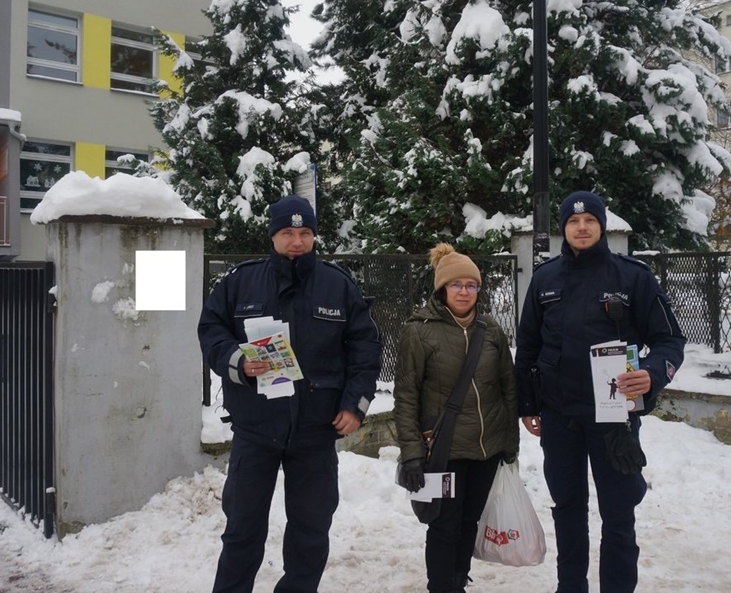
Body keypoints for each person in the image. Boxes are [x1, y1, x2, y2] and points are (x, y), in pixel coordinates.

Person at [198, 195, 382, 593]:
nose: (296, 241)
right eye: (287, 232)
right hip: (255, 428)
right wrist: (238, 362)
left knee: (310, 533)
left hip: (316, 430)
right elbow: (211, 331)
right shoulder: (239, 281)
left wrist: (356, 404)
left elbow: (365, 349)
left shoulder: (338, 285)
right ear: (273, 235)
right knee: (242, 529)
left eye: (304, 233)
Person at [514, 191, 686, 593]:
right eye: (573, 222)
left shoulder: (633, 277)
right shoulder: (545, 279)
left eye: (590, 220)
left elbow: (670, 340)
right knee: (568, 511)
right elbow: (528, 348)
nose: (582, 227)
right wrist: (527, 404)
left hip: (615, 419)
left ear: (602, 225)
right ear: (563, 229)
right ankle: (570, 587)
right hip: (560, 417)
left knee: (619, 513)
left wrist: (652, 373)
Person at [394, 243, 519, 593]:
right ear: (442, 289)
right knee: (444, 527)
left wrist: (510, 442)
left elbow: (508, 389)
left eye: (471, 285)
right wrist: (412, 453)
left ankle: (457, 583)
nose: (464, 292)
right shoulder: (419, 331)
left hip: (486, 449)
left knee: (469, 523)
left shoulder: (491, 330)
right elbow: (405, 396)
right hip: (443, 450)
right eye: (456, 285)